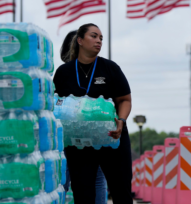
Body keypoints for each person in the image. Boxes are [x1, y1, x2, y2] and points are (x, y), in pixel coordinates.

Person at [54, 23, 133, 204]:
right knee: (83, 194)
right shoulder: (64, 72)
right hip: (79, 143)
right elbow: (56, 105)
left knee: (121, 191)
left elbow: (125, 100)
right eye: (94, 36)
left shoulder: (110, 68)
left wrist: (121, 120)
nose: (98, 41)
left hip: (112, 137)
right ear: (80, 40)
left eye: (101, 38)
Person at [60, 30, 109, 204]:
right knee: (96, 178)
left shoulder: (62, 75)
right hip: (94, 136)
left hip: (67, 137)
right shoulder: (100, 73)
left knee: (62, 179)